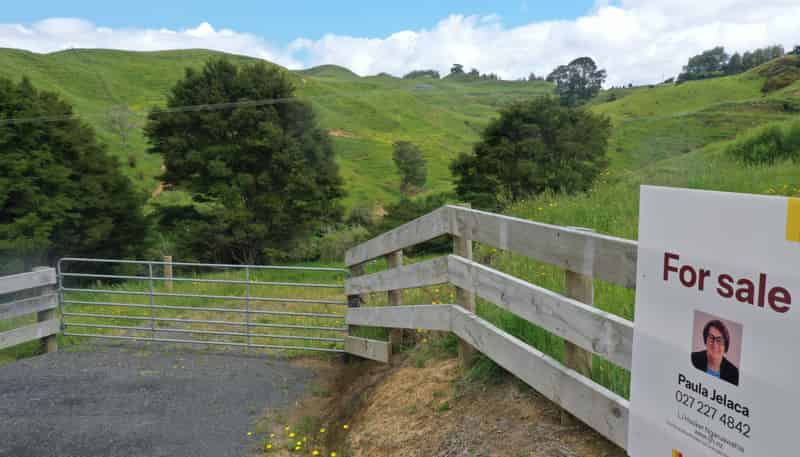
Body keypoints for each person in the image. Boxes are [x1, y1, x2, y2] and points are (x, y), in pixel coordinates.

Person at [692, 320, 739, 386]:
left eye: (719, 340)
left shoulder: (734, 373)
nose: (715, 344)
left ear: (725, 345)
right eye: (711, 338)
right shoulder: (693, 358)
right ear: (705, 340)